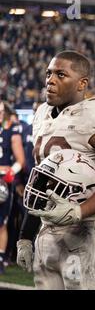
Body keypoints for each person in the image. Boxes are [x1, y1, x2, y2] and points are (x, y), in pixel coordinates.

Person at [15, 50, 95, 289]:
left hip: (90, 230)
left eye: (61, 74)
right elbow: (40, 180)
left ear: (82, 83)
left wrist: (78, 212)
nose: (50, 80)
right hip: (48, 229)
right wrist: (25, 236)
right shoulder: (43, 116)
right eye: (48, 73)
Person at [0, 101, 25, 274]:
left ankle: (0, 258)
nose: (0, 114)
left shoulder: (11, 130)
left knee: (2, 223)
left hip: (2, 182)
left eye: (2, 111)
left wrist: (12, 172)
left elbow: (20, 160)